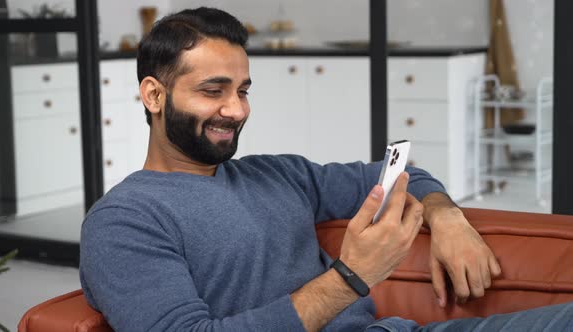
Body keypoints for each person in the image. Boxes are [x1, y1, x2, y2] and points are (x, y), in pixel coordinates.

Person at [79, 7, 573, 332]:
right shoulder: (125, 220)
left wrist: (446, 218)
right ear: (153, 95)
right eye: (214, 91)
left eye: (243, 90)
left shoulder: (280, 174)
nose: (237, 109)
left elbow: (397, 173)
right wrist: (352, 276)